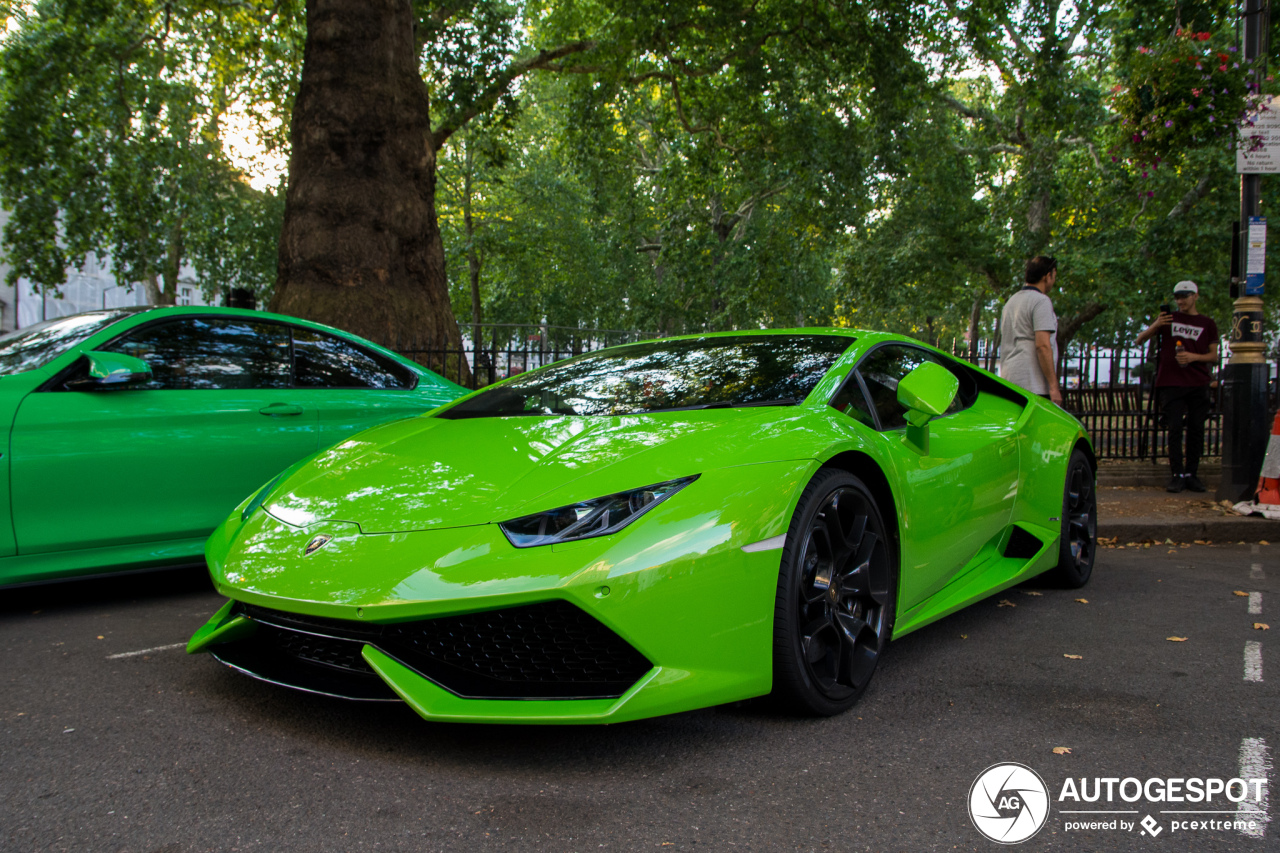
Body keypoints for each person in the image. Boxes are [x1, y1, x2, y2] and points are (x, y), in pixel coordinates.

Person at [1134, 280, 1219, 493]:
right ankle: (1177, 474)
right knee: (1174, 429)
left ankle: (1192, 473)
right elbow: (1139, 340)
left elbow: (1214, 356)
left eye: (1185, 296)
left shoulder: (1207, 323)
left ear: (1195, 296)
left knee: (1196, 429)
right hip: (1171, 382)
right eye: (1177, 297)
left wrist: (1193, 357)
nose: (1180, 301)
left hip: (1198, 382)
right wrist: (1156, 324)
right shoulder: (1168, 320)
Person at [1000, 255, 1062, 405]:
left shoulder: (1011, 302)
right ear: (1047, 276)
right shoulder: (1041, 301)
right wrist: (1053, 387)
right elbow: (1042, 345)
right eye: (1054, 276)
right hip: (1033, 384)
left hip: (1010, 382)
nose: (1053, 281)